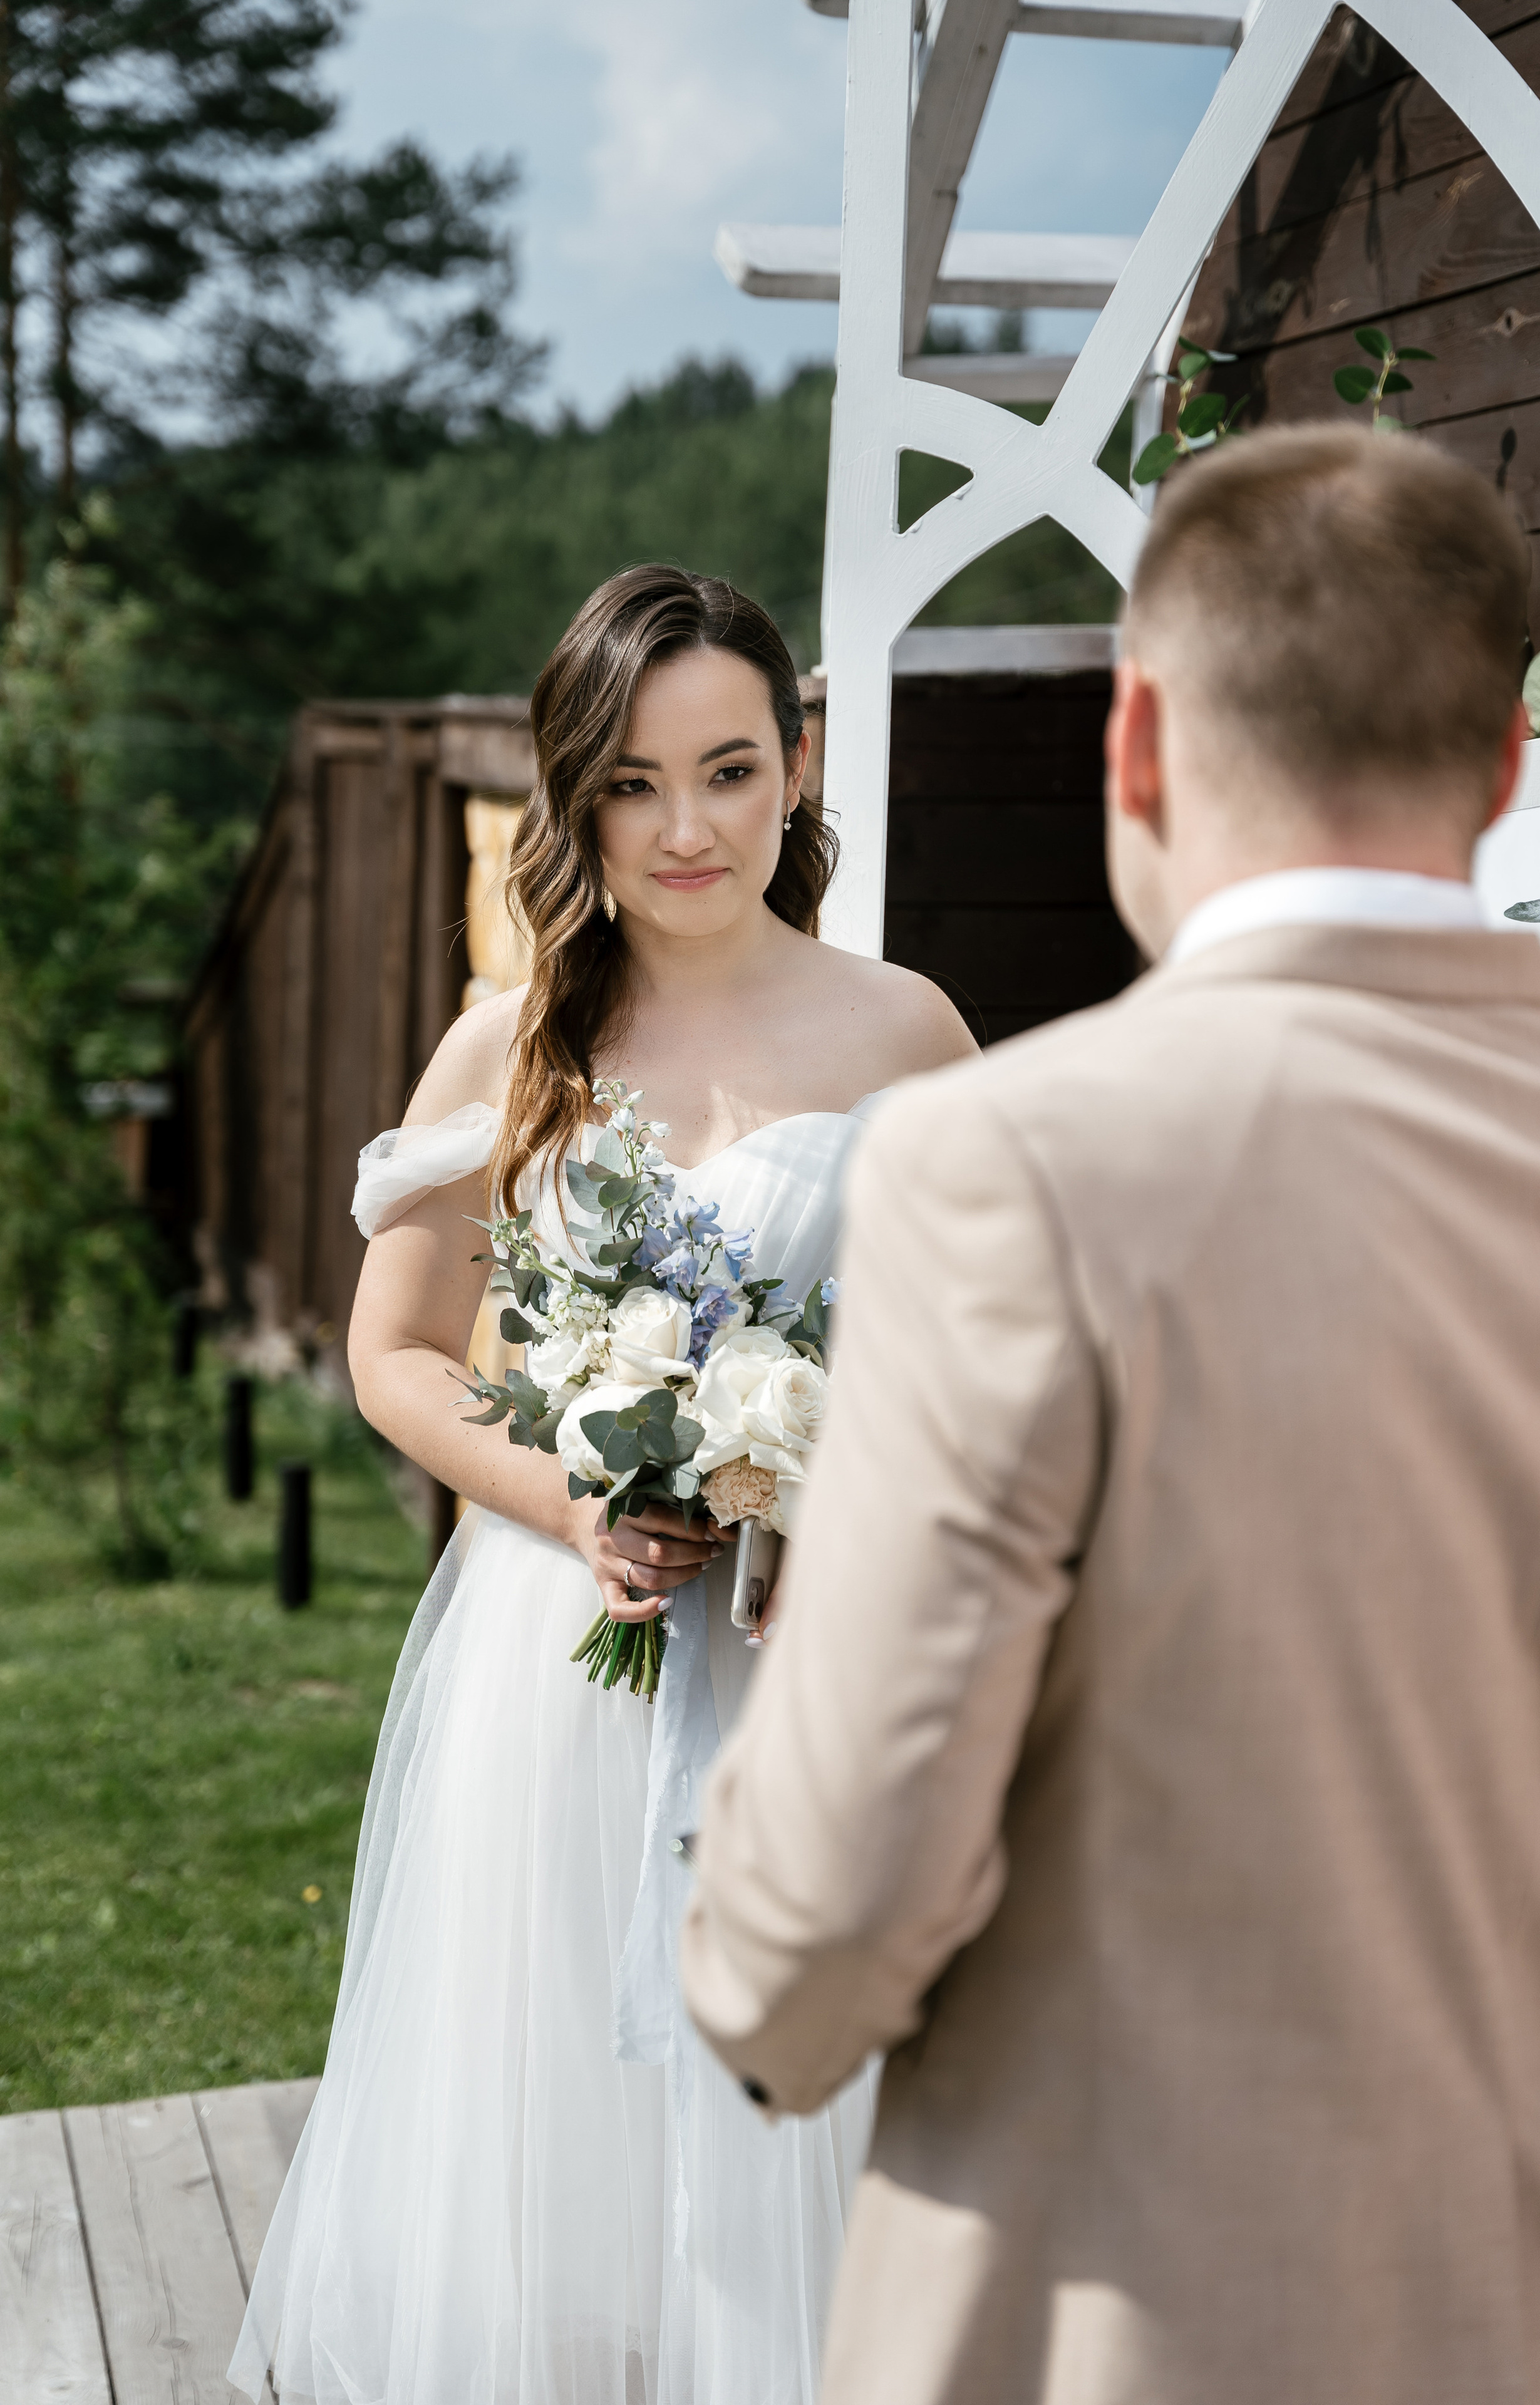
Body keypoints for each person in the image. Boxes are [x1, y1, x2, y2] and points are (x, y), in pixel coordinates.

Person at [681, 425, 1540, 2405]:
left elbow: (828, 1904)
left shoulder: (1013, 1169)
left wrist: (750, 1968)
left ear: (1140, 747)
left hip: (1128, 2318)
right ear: (1501, 766)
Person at [227, 565, 975, 2405]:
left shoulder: (906, 1031)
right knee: (555, 2175)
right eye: (632, 784)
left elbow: (993, 1364)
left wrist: (838, 1493)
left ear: (798, 765)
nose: (685, 829)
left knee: (796, 2172)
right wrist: (568, 1495)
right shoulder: (512, 1043)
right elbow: (396, 1352)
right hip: (554, 1671)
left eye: (728, 771)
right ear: (573, 796)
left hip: (813, 1672)